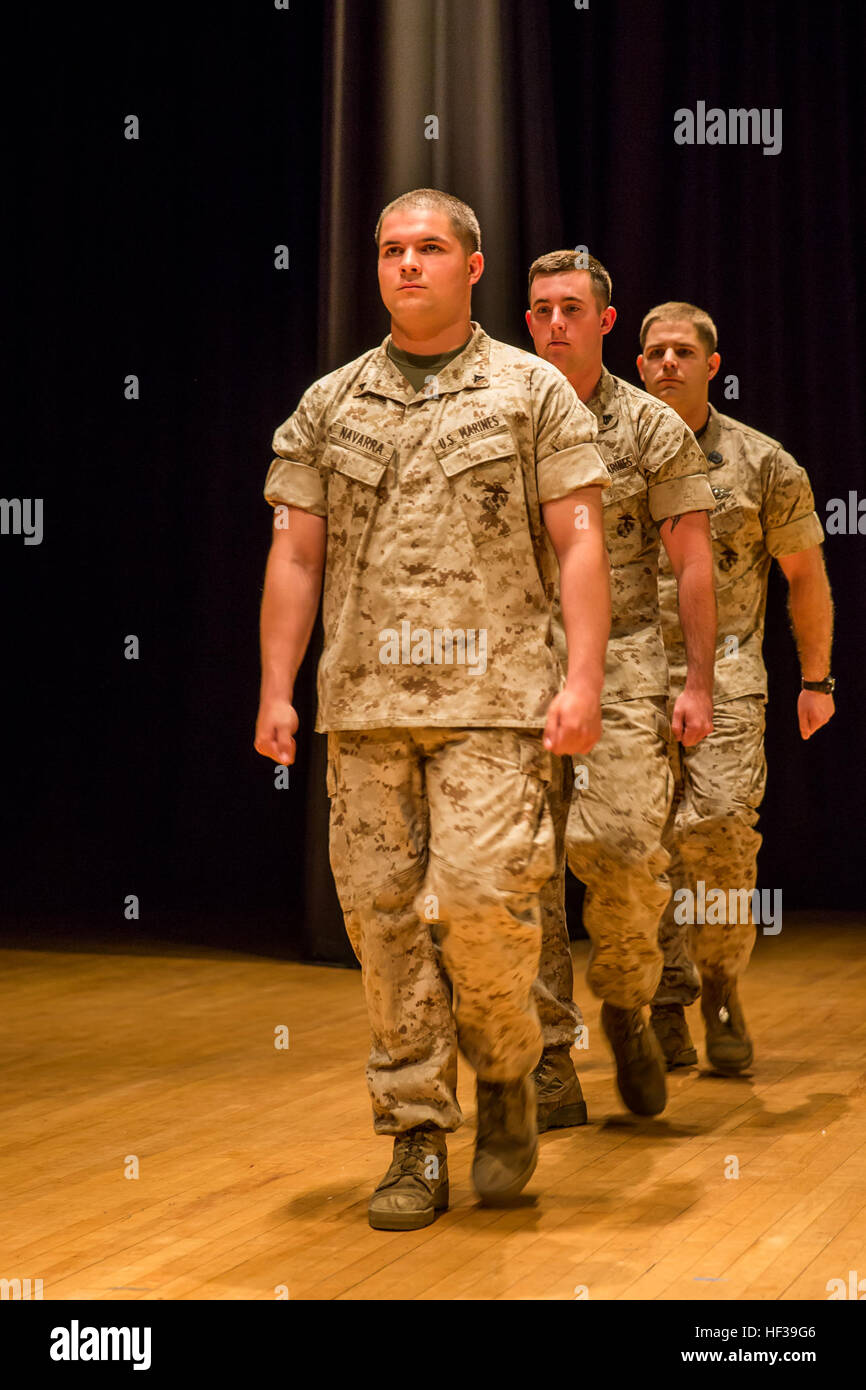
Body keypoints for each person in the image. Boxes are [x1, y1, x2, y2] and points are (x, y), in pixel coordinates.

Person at [255, 191, 611, 1231]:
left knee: (483, 901)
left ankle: (505, 1069)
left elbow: (579, 540)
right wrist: (276, 687)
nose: (408, 265)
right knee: (382, 922)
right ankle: (414, 1131)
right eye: (392, 250)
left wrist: (582, 678)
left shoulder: (531, 390)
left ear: (473, 265)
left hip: (496, 704)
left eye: (429, 249)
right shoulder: (328, 405)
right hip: (363, 709)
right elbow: (294, 551)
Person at [524, 250, 717, 1121]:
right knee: (519, 871)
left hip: (631, 664)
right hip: (518, 668)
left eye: (571, 308)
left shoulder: (649, 428)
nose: (554, 323)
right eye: (539, 310)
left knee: (624, 854)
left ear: (607, 322)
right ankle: (547, 1057)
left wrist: (700, 681)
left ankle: (630, 1003)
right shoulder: (499, 415)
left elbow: (693, 563)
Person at [636, 301, 835, 1072]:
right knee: (636, 848)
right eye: (654, 353)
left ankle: (718, 981)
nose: (667, 365)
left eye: (683, 352)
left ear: (713, 366)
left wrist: (815, 678)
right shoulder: (601, 454)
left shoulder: (762, 464)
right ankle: (662, 998)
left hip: (725, 676)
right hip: (626, 679)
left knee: (716, 830)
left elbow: (806, 576)